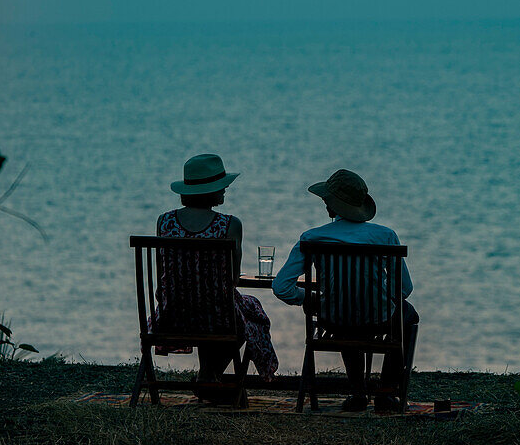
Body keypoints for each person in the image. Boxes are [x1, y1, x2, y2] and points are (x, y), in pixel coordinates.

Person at [272, 168, 418, 412]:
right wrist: (377, 292)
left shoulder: (312, 237)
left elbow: (281, 287)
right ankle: (386, 391)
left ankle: (358, 391)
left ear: (331, 207)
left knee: (345, 316)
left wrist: (312, 298)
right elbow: (404, 288)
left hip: (334, 320)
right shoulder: (384, 235)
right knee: (407, 314)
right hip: (378, 319)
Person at [152, 153, 278, 401]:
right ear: (211, 191)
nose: (226, 190)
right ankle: (209, 378)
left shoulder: (164, 222)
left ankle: (208, 378)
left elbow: (162, 272)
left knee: (218, 307)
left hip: (173, 315)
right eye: (222, 186)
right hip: (218, 318)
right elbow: (233, 279)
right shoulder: (230, 225)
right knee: (249, 311)